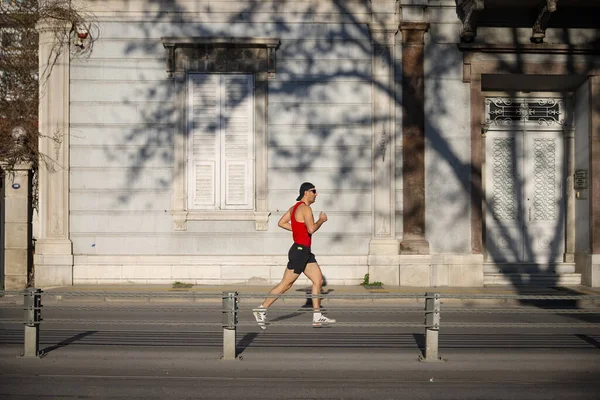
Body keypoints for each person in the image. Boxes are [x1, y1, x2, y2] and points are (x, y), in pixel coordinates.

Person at [253, 182, 336, 329]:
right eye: (314, 191)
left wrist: (297, 231)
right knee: (286, 284)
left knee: (318, 280)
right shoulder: (306, 209)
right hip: (299, 251)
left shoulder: (294, 208)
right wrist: (321, 220)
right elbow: (311, 229)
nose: (316, 194)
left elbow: (281, 222)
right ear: (306, 193)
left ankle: (317, 317)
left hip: (304, 251)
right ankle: (261, 309)